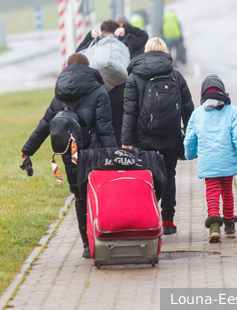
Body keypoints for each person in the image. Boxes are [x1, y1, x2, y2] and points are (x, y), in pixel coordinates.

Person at [20, 53, 117, 258]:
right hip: (95, 153)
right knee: (98, 195)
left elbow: (45, 125)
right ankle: (102, 239)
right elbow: (105, 129)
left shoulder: (59, 97)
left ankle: (86, 246)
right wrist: (113, 156)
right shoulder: (99, 94)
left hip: (70, 154)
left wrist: (28, 148)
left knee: (80, 197)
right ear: (88, 68)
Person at [121, 38, 194, 235]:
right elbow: (188, 107)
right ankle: (168, 221)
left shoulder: (135, 77)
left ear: (145, 52)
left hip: (143, 135)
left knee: (146, 177)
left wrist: (127, 141)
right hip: (171, 135)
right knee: (170, 176)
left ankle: (148, 218)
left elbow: (130, 111)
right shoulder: (176, 75)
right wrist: (190, 134)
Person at [184, 75, 237, 243]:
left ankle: (214, 226)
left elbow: (189, 140)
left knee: (212, 192)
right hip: (227, 162)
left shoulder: (197, 113)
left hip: (208, 163)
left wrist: (190, 154)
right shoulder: (232, 111)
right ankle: (230, 227)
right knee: (227, 192)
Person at [75, 20, 149, 148]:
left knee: (102, 125)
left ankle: (106, 154)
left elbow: (79, 53)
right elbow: (144, 36)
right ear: (116, 32)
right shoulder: (125, 43)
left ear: (102, 32)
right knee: (120, 124)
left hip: (99, 94)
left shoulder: (95, 46)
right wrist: (126, 29)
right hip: (121, 92)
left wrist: (89, 36)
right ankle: (120, 153)